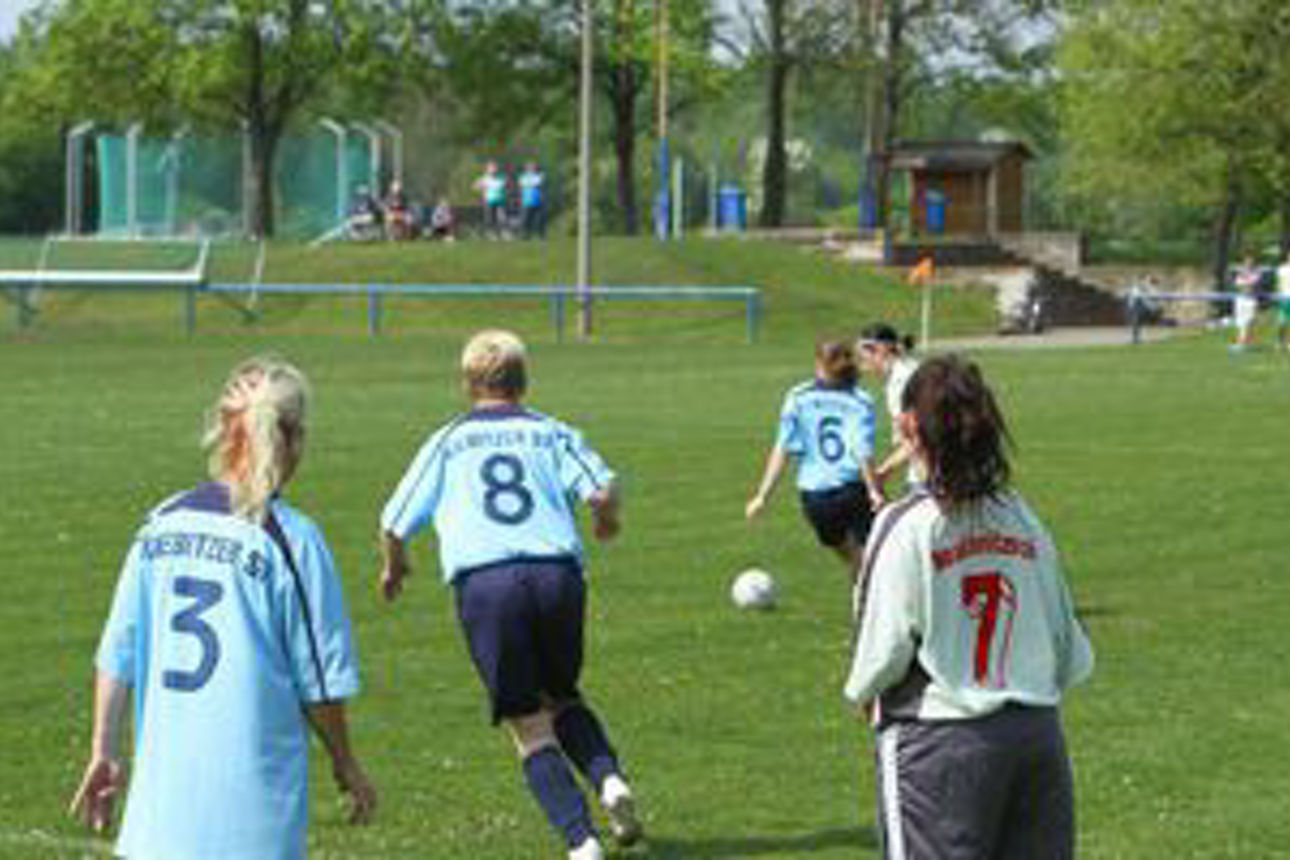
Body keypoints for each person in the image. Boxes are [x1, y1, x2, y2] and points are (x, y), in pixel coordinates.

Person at [69, 356, 376, 859]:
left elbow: (117, 653)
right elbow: (320, 685)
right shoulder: (292, 542)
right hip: (250, 818)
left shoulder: (161, 523)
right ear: (295, 440)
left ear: (221, 429)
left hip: (158, 819)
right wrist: (345, 763)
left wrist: (104, 751)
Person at [378, 330, 640, 860]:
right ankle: (609, 779)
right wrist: (605, 521)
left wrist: (395, 566)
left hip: (487, 585)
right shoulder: (550, 432)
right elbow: (602, 487)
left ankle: (581, 840)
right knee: (563, 695)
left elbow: (394, 519)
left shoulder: (447, 440)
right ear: (524, 380)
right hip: (556, 576)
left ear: (467, 383)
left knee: (528, 725)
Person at [844, 354, 1094, 860]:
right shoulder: (1022, 517)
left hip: (938, 743)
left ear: (909, 425)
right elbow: (1067, 644)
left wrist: (861, 693)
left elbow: (883, 648)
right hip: (1036, 738)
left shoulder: (905, 526)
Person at [746, 338, 882, 574]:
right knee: (874, 556)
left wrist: (762, 496)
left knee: (854, 557)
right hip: (852, 490)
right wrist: (873, 490)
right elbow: (862, 450)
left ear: (819, 364)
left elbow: (783, 448)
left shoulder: (798, 396)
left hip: (815, 498)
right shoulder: (861, 401)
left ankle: (863, 592)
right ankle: (869, 596)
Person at [857, 323, 921, 499]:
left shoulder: (901, 382)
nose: (861, 362)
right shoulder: (904, 371)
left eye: (864, 354)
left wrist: (882, 472)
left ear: (881, 350)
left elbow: (919, 438)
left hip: (931, 473)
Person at [473, 160, 508, 239]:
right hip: (489, 201)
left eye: (495, 167)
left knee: (502, 218)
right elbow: (474, 186)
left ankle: (504, 234)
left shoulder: (502, 176)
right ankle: (491, 234)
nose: (493, 169)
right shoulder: (485, 177)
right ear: (488, 169)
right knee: (490, 219)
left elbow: (508, 185)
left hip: (501, 201)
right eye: (491, 168)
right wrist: (481, 187)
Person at [1231, 256, 1259, 352]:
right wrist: (1245, 281)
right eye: (1246, 263)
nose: (1248, 264)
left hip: (1250, 299)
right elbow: (1238, 284)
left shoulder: (1256, 273)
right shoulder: (1240, 273)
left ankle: (1246, 340)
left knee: (1249, 320)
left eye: (1250, 263)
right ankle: (1241, 340)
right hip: (1240, 298)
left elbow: (1251, 284)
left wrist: (1245, 281)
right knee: (1240, 320)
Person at [519, 161, 547, 239]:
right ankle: (526, 234)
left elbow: (538, 185)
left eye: (533, 167)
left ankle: (542, 234)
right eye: (529, 167)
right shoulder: (523, 177)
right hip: (528, 199)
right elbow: (522, 186)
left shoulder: (540, 175)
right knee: (527, 218)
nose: (531, 168)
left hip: (538, 199)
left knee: (540, 218)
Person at [1276, 250, 1290, 351]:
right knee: (1282, 322)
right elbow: (1279, 284)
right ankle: (1280, 342)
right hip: (1284, 298)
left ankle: (1289, 343)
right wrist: (1279, 295)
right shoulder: (1282, 269)